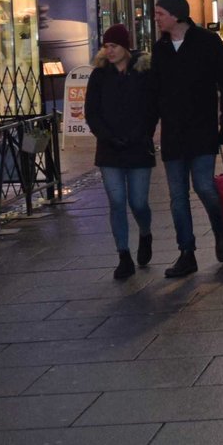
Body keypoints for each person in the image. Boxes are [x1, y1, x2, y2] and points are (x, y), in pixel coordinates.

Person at [150, 0, 223, 276]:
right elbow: (155, 94)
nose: (156, 17)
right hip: (173, 133)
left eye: (160, 13)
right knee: (177, 196)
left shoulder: (207, 43)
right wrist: (149, 133)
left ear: (176, 15)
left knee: (204, 186)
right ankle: (186, 252)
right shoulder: (160, 48)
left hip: (202, 130)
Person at [83, 25, 156, 280]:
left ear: (125, 46)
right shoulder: (99, 75)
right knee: (116, 202)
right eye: (106, 46)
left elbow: (151, 108)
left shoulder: (143, 71)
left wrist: (141, 134)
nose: (109, 50)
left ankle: (145, 233)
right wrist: (107, 136)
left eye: (113, 45)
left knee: (138, 202)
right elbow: (91, 112)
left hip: (138, 147)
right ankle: (123, 255)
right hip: (109, 150)